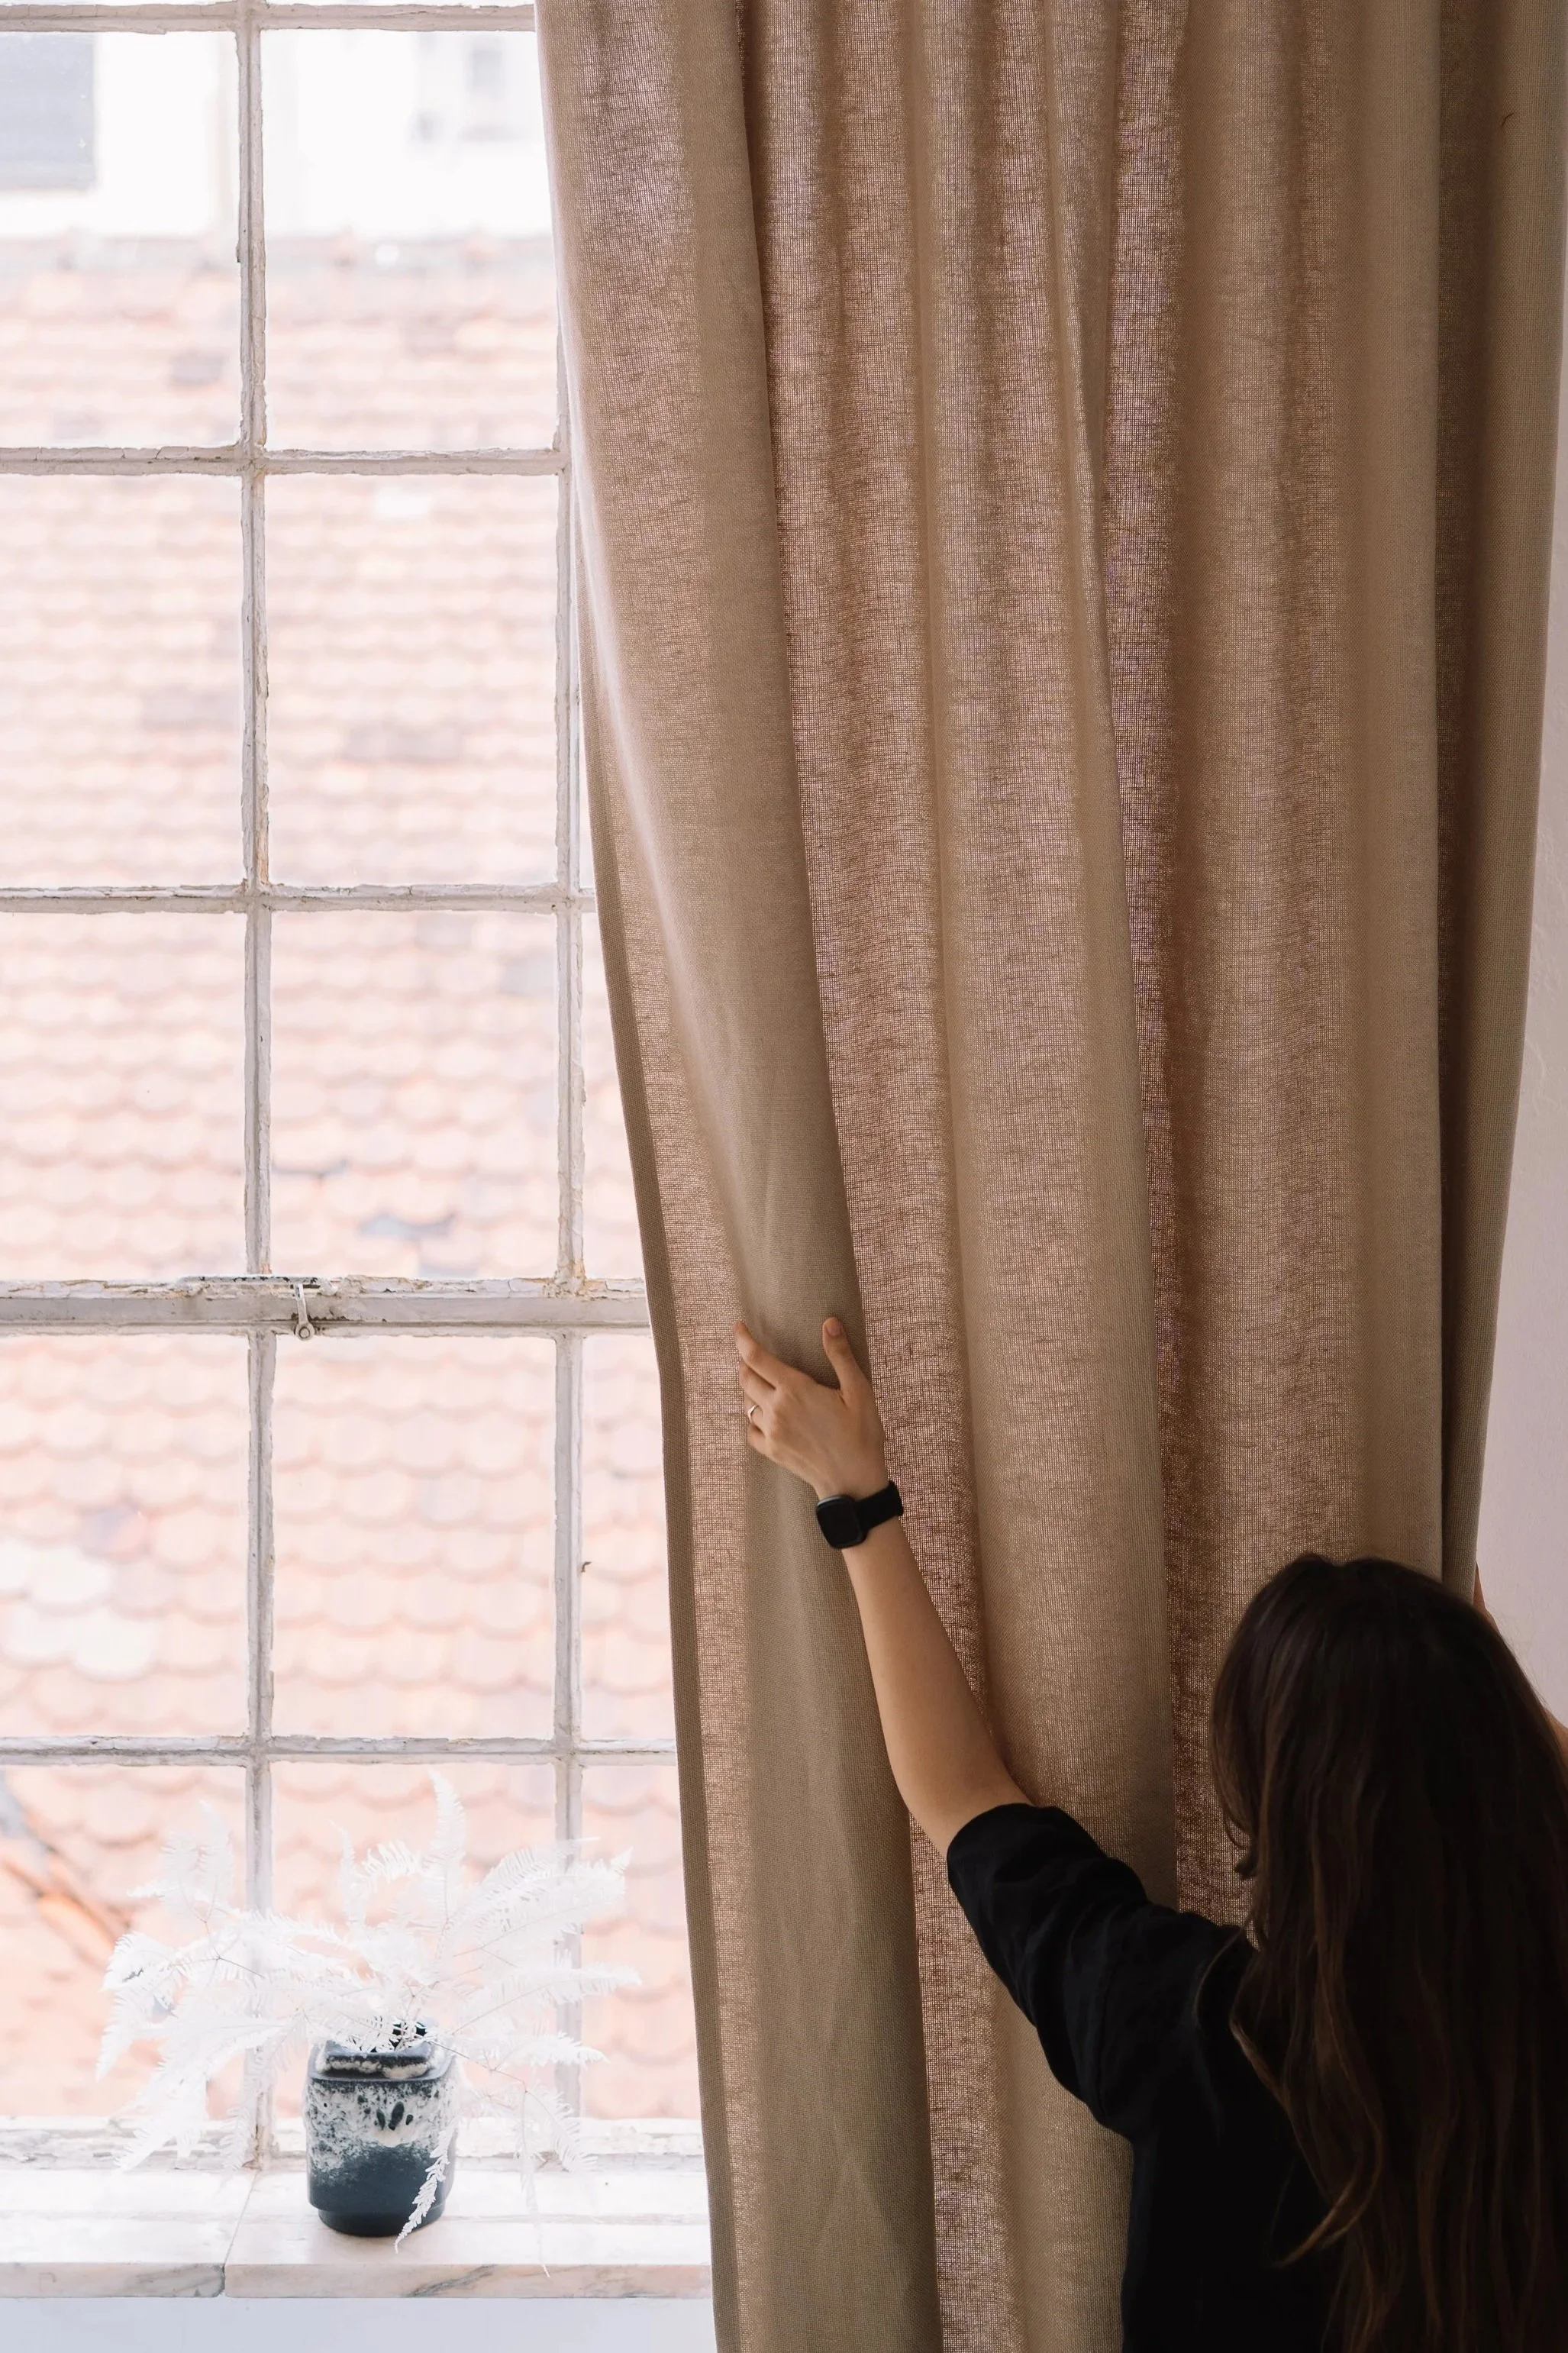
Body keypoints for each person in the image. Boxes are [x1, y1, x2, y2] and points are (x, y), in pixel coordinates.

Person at [734, 1315, 1568, 2353]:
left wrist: (856, 1497)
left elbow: (958, 1792)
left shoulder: (1197, 2031)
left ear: (1261, 1804)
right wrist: (1460, 1686)